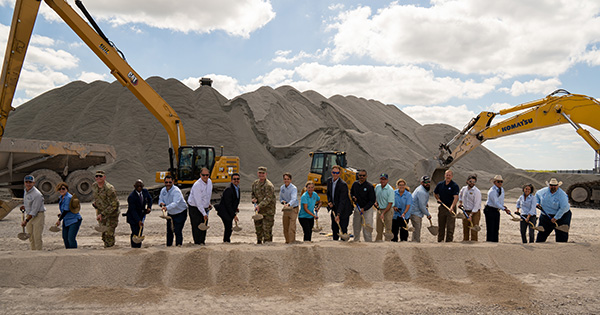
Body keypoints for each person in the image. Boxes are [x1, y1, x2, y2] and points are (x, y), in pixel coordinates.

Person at [535, 178, 571, 243]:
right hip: (546, 216)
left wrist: (556, 217)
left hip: (562, 216)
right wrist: (537, 202)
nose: (553, 187)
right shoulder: (543, 191)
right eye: (551, 185)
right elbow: (537, 195)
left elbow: (564, 207)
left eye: (555, 185)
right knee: (541, 234)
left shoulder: (562, 195)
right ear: (549, 185)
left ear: (558, 185)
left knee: (561, 235)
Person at [92, 170, 120, 248]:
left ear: (104, 177)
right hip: (101, 213)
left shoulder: (109, 188)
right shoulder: (94, 186)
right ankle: (106, 249)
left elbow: (114, 205)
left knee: (109, 234)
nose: (98, 178)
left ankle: (110, 251)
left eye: (100, 176)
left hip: (111, 214)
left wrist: (103, 214)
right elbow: (98, 198)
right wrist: (96, 204)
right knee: (104, 234)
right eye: (97, 176)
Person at [159, 175, 188, 246]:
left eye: (170, 182)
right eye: (166, 182)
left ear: (173, 182)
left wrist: (166, 208)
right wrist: (161, 203)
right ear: (164, 182)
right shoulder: (163, 190)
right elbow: (160, 199)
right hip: (171, 213)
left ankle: (178, 246)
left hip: (180, 212)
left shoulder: (176, 191)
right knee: (169, 230)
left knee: (177, 230)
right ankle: (169, 245)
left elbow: (175, 203)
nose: (168, 184)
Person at [326, 165, 353, 241]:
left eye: (337, 173)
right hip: (334, 208)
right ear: (331, 172)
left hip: (344, 210)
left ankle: (343, 246)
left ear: (340, 173)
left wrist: (338, 214)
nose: (335, 174)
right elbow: (328, 193)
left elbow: (342, 201)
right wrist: (330, 201)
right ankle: (335, 244)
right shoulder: (329, 181)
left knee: (343, 228)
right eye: (334, 172)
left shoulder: (343, 184)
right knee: (334, 227)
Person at [20, 174, 46, 250]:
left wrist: (26, 221)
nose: (28, 184)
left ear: (33, 183)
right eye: (26, 182)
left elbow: (34, 211)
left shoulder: (37, 194)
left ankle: (38, 253)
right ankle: (33, 252)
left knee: (37, 236)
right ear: (24, 183)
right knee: (30, 236)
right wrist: (25, 207)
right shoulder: (26, 191)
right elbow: (30, 203)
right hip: (29, 215)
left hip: (38, 215)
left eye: (30, 182)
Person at [188, 167, 213, 245]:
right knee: (196, 225)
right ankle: (197, 242)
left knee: (204, 224)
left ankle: (202, 241)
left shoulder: (210, 182)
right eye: (203, 175)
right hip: (194, 207)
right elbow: (198, 202)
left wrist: (208, 204)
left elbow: (208, 195)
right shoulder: (197, 185)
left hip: (204, 207)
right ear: (200, 175)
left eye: (207, 175)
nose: (205, 177)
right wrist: (204, 213)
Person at [433, 169, 460, 242]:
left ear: (452, 176)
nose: (448, 176)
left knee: (450, 227)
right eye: (447, 175)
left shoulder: (454, 186)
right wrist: (438, 199)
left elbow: (456, 197)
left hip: (451, 207)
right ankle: (440, 241)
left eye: (449, 175)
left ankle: (449, 242)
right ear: (444, 175)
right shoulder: (440, 184)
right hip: (442, 207)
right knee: (441, 226)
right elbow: (435, 193)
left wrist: (452, 207)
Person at [252, 166, 276, 244]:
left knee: (267, 230)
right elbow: (253, 194)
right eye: (260, 173)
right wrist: (253, 199)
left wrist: (259, 206)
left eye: (263, 173)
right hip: (259, 211)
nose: (261, 175)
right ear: (257, 173)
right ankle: (259, 243)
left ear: (266, 174)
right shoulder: (255, 184)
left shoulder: (269, 185)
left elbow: (268, 199)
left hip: (268, 211)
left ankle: (267, 246)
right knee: (258, 229)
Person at [350, 169, 376, 242]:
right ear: (358, 176)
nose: (362, 177)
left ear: (366, 176)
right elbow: (351, 193)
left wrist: (364, 208)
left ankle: (368, 242)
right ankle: (356, 240)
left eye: (363, 175)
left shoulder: (369, 186)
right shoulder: (355, 184)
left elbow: (372, 200)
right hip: (357, 208)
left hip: (367, 210)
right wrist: (353, 197)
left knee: (367, 226)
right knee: (356, 226)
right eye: (360, 175)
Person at [483, 175, 511, 242]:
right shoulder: (492, 191)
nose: (500, 183)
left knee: (496, 228)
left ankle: (495, 242)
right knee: (490, 228)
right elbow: (495, 202)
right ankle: (489, 242)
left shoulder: (502, 190)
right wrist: (504, 209)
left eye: (501, 182)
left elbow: (500, 201)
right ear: (495, 182)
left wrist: (503, 206)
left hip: (496, 209)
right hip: (490, 209)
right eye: (498, 182)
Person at [55, 182, 82, 249]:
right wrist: (61, 215)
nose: (61, 190)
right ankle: (68, 253)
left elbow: (66, 210)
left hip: (74, 220)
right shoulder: (61, 197)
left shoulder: (68, 197)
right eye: (60, 189)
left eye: (63, 189)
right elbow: (66, 210)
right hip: (67, 220)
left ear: (67, 189)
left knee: (71, 238)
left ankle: (73, 253)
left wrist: (59, 220)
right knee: (65, 238)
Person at [126, 179, 152, 248]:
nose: (139, 187)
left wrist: (149, 207)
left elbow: (150, 199)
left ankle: (138, 247)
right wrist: (138, 221)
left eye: (141, 185)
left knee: (140, 232)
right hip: (133, 217)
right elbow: (133, 210)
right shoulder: (131, 197)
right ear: (134, 186)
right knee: (135, 232)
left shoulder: (145, 192)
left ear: (143, 186)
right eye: (137, 186)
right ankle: (134, 247)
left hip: (141, 215)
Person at [216, 173, 241, 243]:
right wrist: (234, 215)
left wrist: (236, 208)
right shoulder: (229, 189)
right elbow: (228, 204)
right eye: (234, 179)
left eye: (238, 179)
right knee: (228, 227)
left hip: (229, 210)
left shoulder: (237, 188)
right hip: (224, 211)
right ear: (231, 180)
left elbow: (235, 200)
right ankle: (226, 241)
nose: (236, 180)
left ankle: (227, 240)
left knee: (229, 227)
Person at [458, 174, 482, 242]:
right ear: (467, 181)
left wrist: (471, 215)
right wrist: (460, 202)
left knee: (474, 228)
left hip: (474, 212)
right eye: (471, 181)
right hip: (465, 211)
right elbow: (460, 194)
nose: (472, 183)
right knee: (465, 228)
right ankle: (465, 242)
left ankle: (474, 244)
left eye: (474, 182)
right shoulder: (464, 189)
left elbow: (476, 205)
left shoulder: (477, 192)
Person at [410, 176, 432, 242]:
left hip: (416, 212)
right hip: (415, 213)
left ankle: (414, 242)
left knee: (416, 230)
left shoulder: (423, 189)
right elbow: (422, 206)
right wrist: (428, 214)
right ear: (422, 183)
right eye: (426, 182)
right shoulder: (421, 191)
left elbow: (422, 202)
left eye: (429, 182)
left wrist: (425, 203)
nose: (427, 183)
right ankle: (416, 244)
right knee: (417, 230)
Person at [374, 173, 395, 241]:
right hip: (379, 209)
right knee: (379, 227)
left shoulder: (390, 190)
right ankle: (378, 240)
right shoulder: (377, 187)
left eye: (384, 179)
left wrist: (383, 213)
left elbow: (390, 203)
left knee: (387, 227)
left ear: (387, 180)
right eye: (381, 179)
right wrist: (375, 202)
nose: (383, 181)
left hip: (388, 210)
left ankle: (387, 242)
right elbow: (375, 197)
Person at [279, 172, 299, 244]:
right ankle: (287, 241)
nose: (286, 180)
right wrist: (282, 201)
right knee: (285, 226)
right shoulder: (282, 188)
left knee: (292, 226)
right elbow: (280, 198)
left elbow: (294, 199)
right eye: (285, 179)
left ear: (290, 180)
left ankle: (292, 241)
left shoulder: (294, 188)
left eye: (288, 179)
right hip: (286, 209)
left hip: (293, 208)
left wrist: (288, 204)